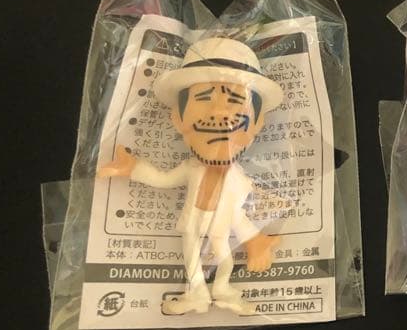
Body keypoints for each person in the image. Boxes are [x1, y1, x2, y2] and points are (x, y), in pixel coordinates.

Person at [98, 37, 284, 315]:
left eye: (235, 101)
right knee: (192, 260)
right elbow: (164, 179)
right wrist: (133, 168)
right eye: (204, 98)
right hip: (192, 225)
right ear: (178, 118)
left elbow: (238, 215)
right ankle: (196, 292)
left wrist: (255, 241)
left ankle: (222, 289)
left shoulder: (239, 180)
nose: (219, 112)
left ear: (257, 123)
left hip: (219, 230)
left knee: (225, 259)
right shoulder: (191, 168)